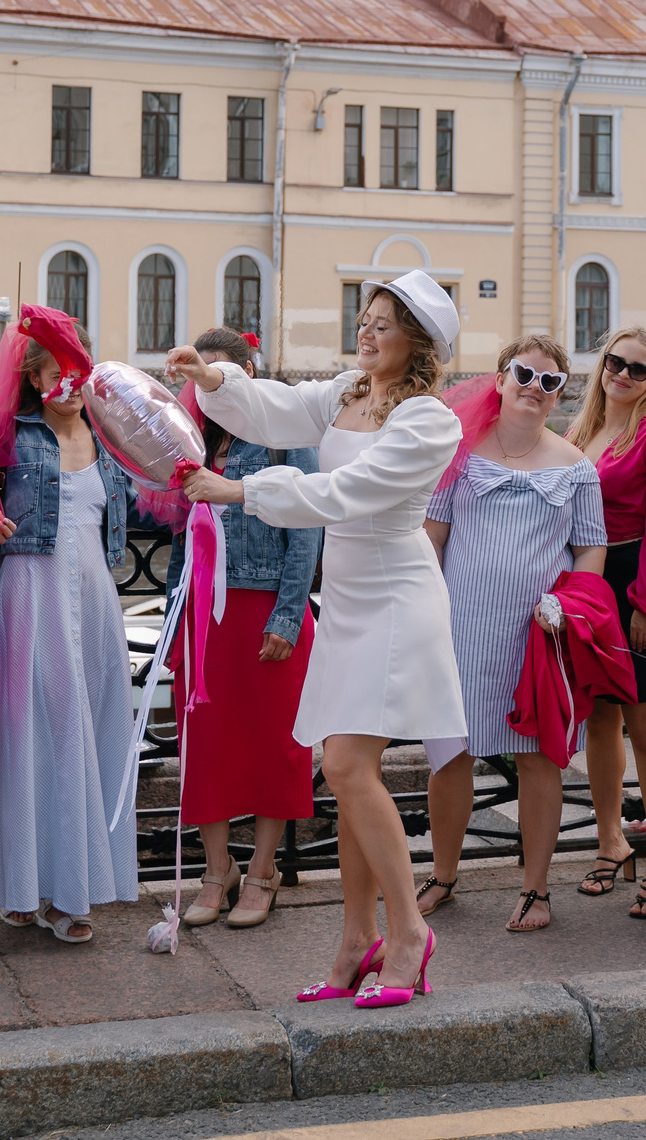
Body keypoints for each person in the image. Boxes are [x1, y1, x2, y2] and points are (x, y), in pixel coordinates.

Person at [166, 269, 465, 1009]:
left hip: (396, 597)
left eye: (383, 325)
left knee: (347, 765)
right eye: (363, 319)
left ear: (418, 343)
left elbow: (346, 494)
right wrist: (215, 378)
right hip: (350, 598)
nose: (365, 332)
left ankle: (408, 934)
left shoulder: (430, 419)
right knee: (341, 771)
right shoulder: (346, 392)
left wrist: (241, 490)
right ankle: (355, 936)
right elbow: (277, 408)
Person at [414, 335, 608, 933]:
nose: (534, 387)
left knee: (537, 758)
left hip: (535, 637)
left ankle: (535, 889)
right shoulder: (460, 453)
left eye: (550, 382)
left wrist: (567, 602)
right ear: (499, 378)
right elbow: (431, 538)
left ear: (559, 396)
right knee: (451, 757)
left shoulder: (576, 467)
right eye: (525, 374)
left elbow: (591, 547)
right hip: (460, 631)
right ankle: (443, 875)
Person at [0, 325, 142, 942]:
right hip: (29, 589)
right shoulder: (12, 436)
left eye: (77, 370)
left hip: (95, 593)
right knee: (32, 724)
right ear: (35, 379)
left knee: (88, 722)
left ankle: (76, 889)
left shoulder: (109, 435)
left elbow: (144, 504)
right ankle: (24, 882)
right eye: (55, 372)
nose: (68, 384)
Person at [155, 327, 321, 931]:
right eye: (203, 371)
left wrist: (286, 615)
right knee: (207, 745)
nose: (213, 384)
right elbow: (181, 537)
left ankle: (262, 871)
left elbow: (307, 530)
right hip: (205, 616)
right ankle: (215, 869)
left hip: (266, 611)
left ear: (249, 375)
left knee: (275, 744)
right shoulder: (190, 441)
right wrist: (176, 620)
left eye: (225, 372)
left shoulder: (285, 435)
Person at [565, 326, 646, 919]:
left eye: (640, 369)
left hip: (633, 577)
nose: (624, 375)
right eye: (617, 363)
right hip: (586, 580)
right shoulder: (578, 431)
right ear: (602, 365)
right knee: (599, 719)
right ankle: (611, 842)